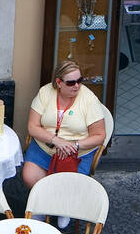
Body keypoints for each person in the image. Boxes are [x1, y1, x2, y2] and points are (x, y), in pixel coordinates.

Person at [21, 60, 106, 211]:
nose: (77, 86)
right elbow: (32, 127)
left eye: (80, 80)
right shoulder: (45, 92)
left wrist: (75, 145)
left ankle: (63, 208)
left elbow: (100, 135)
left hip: (76, 153)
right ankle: (44, 206)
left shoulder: (89, 99)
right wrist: (55, 140)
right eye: (71, 82)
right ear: (59, 82)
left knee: (66, 187)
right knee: (29, 177)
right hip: (44, 147)